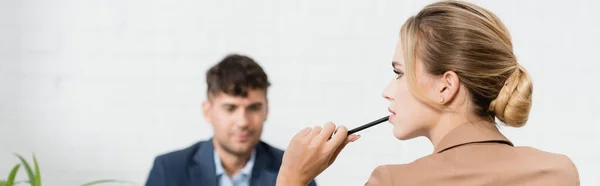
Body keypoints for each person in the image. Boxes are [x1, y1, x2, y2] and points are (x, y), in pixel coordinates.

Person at [275, 1, 580, 186]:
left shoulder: (393, 182)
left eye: (399, 73)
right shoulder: (558, 172)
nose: (387, 91)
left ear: (446, 86)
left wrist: (291, 177)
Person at [145, 54, 317, 186]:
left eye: (254, 108)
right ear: (208, 111)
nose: (242, 122)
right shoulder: (169, 170)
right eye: (230, 108)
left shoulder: (295, 168)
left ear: (267, 110)